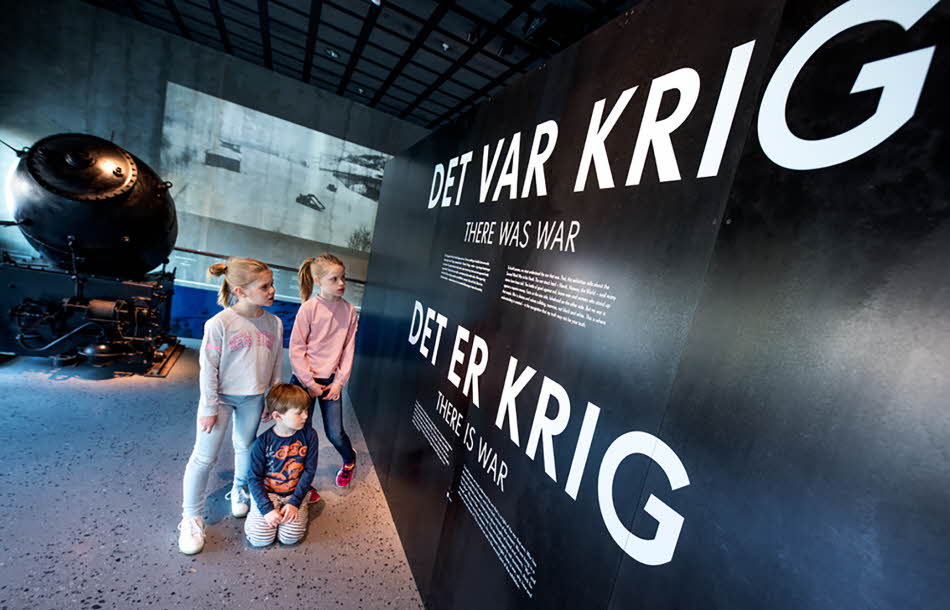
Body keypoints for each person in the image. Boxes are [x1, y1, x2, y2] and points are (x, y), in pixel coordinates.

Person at [178, 257, 282, 555]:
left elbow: (275, 364)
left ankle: (239, 488)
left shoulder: (274, 323)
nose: (272, 290)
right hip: (219, 399)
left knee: (245, 447)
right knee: (203, 458)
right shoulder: (219, 324)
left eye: (271, 284)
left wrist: (270, 398)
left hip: (254, 398)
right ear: (240, 291)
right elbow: (208, 369)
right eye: (265, 286)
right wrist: (209, 407)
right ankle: (191, 517)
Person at [290, 253, 359, 492]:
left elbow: (348, 348)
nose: (341, 284)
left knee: (335, 433)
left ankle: (350, 460)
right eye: (334, 279)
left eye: (343, 278)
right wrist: (309, 382)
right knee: (301, 433)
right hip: (303, 381)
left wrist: (339, 382)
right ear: (318, 280)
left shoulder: (350, 312)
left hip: (332, 383)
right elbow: (296, 349)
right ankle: (302, 481)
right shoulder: (308, 309)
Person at [244, 383, 318, 547]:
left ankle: (302, 502)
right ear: (277, 416)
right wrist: (266, 509)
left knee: (290, 537)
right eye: (299, 413)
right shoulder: (263, 442)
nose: (306, 416)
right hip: (268, 493)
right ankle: (257, 508)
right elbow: (254, 477)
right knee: (260, 539)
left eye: (306, 410)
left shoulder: (310, 435)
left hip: (295, 492)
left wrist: (295, 502)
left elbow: (309, 470)